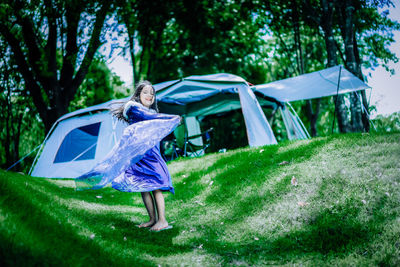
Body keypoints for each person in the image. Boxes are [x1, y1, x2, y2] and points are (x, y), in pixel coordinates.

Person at [75, 81, 181, 232]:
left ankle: (162, 220)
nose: (150, 95)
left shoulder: (148, 112)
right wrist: (170, 118)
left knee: (155, 187)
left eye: (152, 93)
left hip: (151, 157)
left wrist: (167, 119)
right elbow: (147, 118)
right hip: (141, 157)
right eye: (146, 92)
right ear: (138, 95)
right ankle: (152, 219)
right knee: (144, 187)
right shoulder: (134, 108)